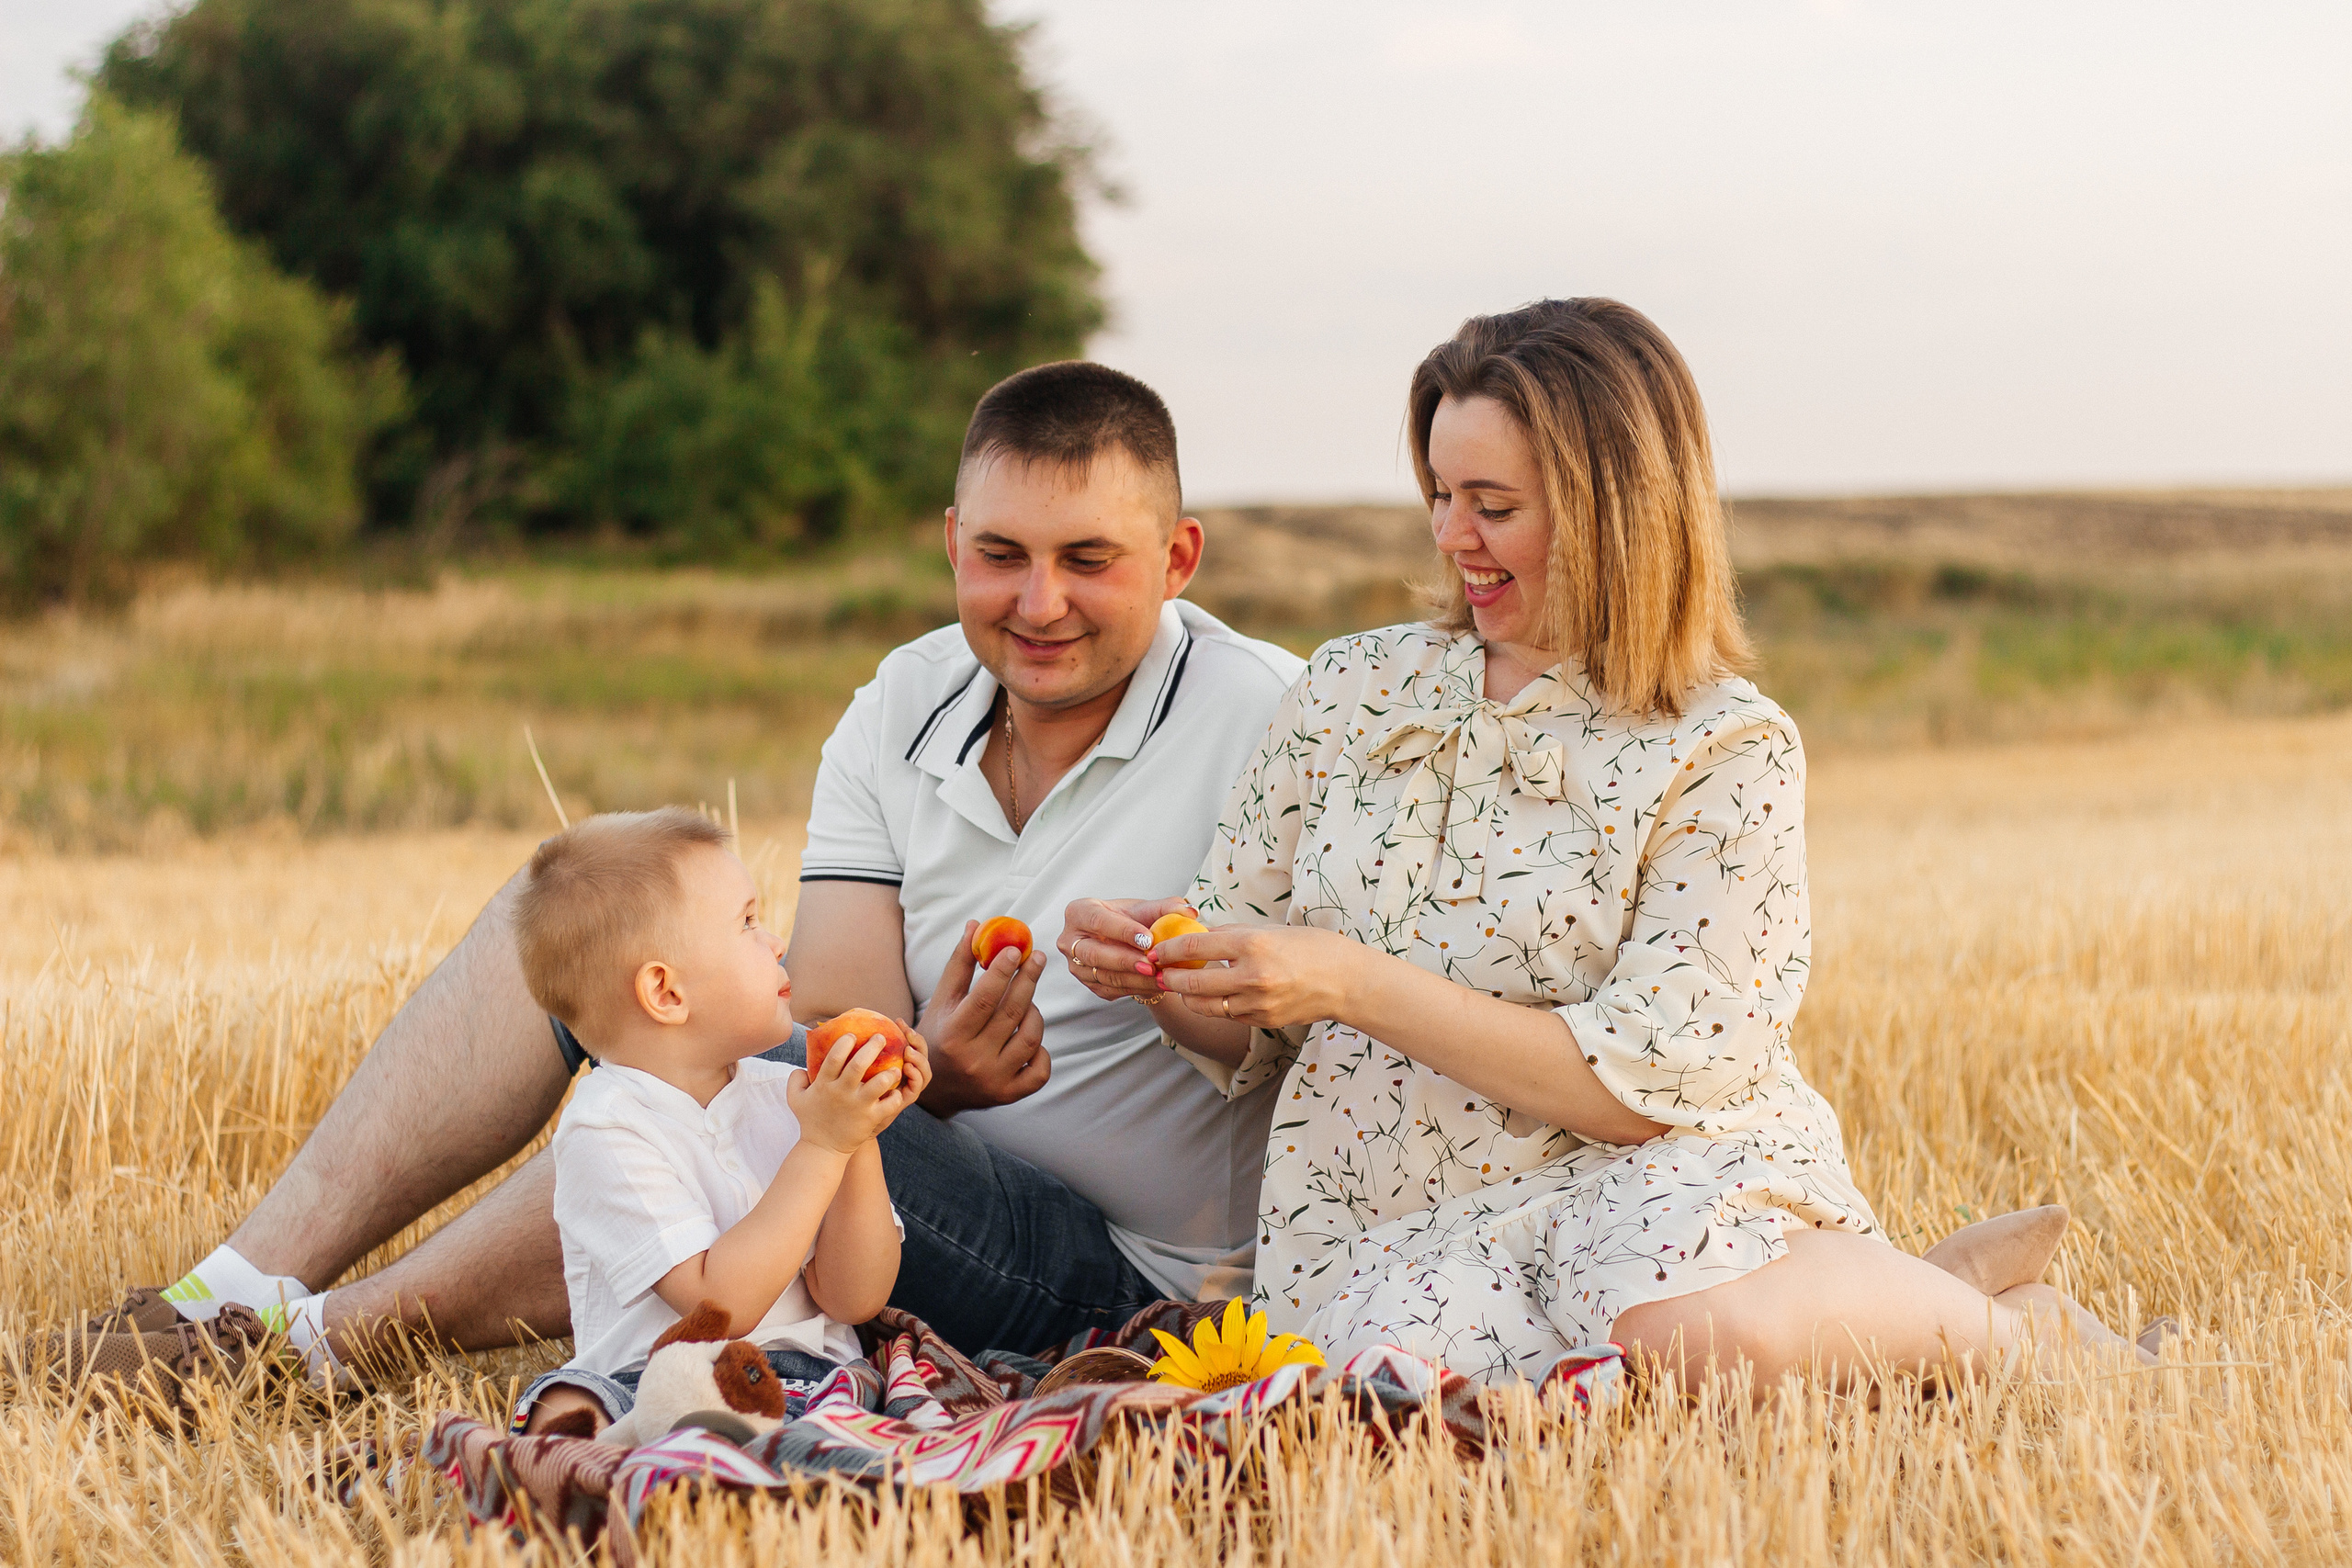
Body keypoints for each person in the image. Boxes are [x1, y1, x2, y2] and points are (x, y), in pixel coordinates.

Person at [50, 361, 1303, 1391]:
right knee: (586, 905)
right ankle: (227, 1289)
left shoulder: (1273, 721)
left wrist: (1148, 992)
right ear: (950, 543)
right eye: (1000, 554)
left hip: (1117, 1275)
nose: (1038, 601)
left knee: (745, 1065)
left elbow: (1309, 1033)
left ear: (1181, 554)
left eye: (1090, 558)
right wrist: (937, 1069)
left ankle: (318, 1346)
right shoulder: (904, 696)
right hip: (891, 1172)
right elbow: (835, 1011)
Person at [1058, 299, 2155, 1393]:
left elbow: (1642, 1090)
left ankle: (2025, 1341)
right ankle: (1904, 1300)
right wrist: (1160, 965)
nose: (1449, 537)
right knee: (1404, 1399)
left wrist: (1350, 984)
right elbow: (1234, 1024)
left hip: (1650, 1184)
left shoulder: (1726, 746)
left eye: (1492, 505)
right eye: (1440, 496)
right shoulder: (1346, 688)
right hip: (1391, 1226)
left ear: (1614, 512)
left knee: (1683, 1334)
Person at [506, 808, 920, 1436]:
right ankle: (608, 1464)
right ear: (666, 992)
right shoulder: (608, 1127)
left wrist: (856, 1134)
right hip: (657, 1380)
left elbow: (854, 1298)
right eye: (747, 922)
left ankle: (750, 1470)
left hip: (813, 1378)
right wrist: (824, 1142)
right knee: (570, 1401)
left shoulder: (787, 1095)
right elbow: (718, 1308)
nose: (775, 941)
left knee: (865, 1390)